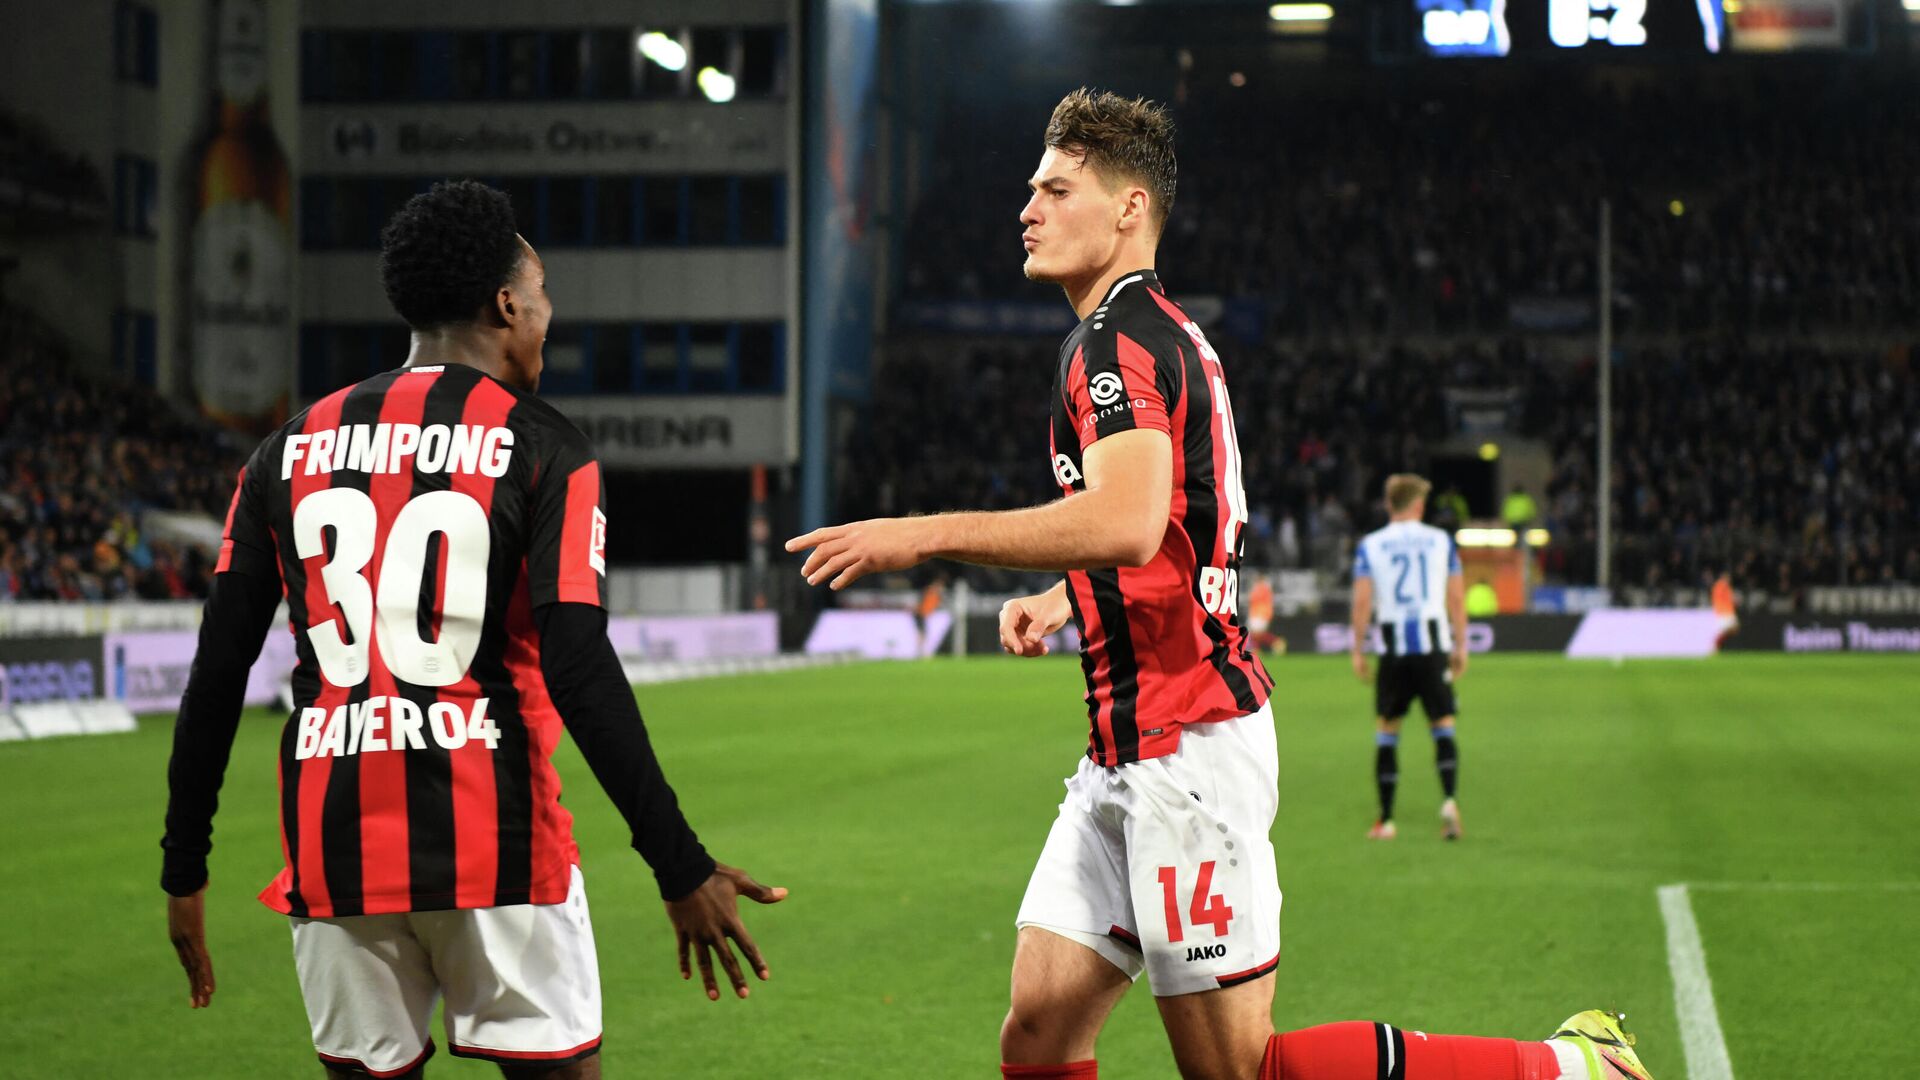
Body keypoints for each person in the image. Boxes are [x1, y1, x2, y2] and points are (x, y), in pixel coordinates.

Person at [786, 89, 1652, 1080]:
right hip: (1127, 746)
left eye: (1056, 188)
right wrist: (1069, 597)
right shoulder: (1158, 335)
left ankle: (1572, 1068)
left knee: (1240, 1069)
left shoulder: (1112, 346)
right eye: (1031, 187)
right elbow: (1176, 531)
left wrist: (923, 534)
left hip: (1184, 748)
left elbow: (1124, 519)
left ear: (1129, 210)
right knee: (1038, 1029)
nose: (1027, 207)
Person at [160, 181, 785, 1079]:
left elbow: (215, 674)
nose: (547, 316)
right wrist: (677, 864)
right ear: (505, 304)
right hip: (498, 846)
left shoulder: (288, 448)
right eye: (541, 295)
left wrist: (185, 868)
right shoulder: (543, 445)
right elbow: (579, 669)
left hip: (333, 853)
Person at [1349, 474, 1468, 842]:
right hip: (1433, 649)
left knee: (1388, 733)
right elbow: (1457, 599)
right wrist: (1461, 645)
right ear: (1418, 505)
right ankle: (1448, 800)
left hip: (1394, 650)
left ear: (1389, 504)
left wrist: (1357, 648)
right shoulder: (1441, 541)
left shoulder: (1371, 545)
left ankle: (1385, 820)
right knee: (1442, 725)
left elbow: (1363, 602)